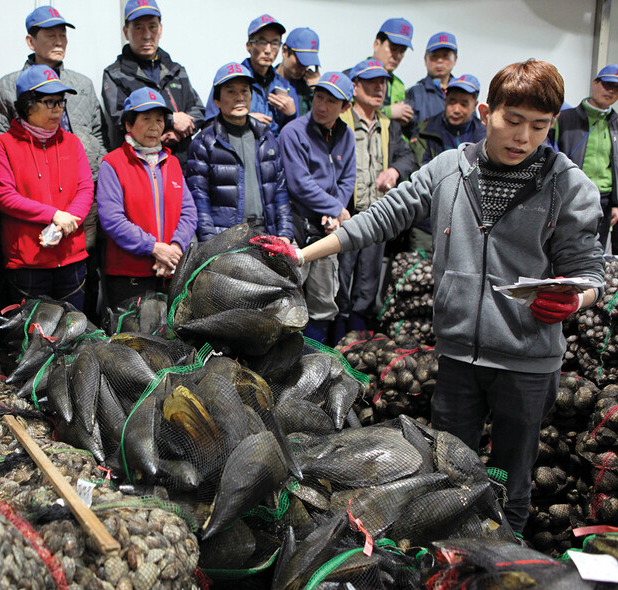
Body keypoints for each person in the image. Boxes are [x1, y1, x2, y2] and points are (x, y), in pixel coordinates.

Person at [256, 60, 604, 533]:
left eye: (539, 126)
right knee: (447, 473)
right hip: (459, 359)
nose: (524, 137)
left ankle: (503, 553)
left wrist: (574, 300)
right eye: (513, 121)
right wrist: (303, 254)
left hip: (526, 365)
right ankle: (447, 559)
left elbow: (588, 271)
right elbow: (382, 217)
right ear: (487, 113)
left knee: (507, 476)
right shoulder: (448, 170)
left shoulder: (569, 186)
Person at [0, 65, 93, 310]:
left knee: (75, 336)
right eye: (49, 102)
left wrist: (64, 222)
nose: (57, 109)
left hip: (71, 258)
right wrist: (53, 215)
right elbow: (5, 196)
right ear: (27, 104)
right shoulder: (3, 145)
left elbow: (85, 188)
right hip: (28, 262)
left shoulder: (72, 142)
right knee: (36, 340)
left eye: (60, 102)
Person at [97, 87, 197, 308]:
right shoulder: (113, 164)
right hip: (129, 276)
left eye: (160, 120)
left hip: (170, 271)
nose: (154, 126)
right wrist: (154, 248)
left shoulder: (171, 163)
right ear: (128, 125)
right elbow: (112, 219)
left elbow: (188, 212)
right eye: (146, 119)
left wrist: (175, 248)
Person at [336, 59, 415, 333]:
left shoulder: (388, 124)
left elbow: (407, 156)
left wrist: (394, 170)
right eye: (371, 83)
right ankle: (336, 340)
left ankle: (358, 343)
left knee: (368, 284)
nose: (379, 88)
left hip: (376, 216)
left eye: (382, 83)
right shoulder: (340, 120)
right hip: (345, 215)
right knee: (340, 280)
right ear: (355, 86)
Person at [278, 71, 356, 344]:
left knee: (324, 302)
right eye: (319, 97)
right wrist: (336, 207)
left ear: (345, 108)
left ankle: (316, 364)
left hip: (328, 232)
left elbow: (348, 179)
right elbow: (299, 184)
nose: (322, 106)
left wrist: (336, 210)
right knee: (288, 302)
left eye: (331, 102)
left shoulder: (346, 135)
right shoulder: (293, 132)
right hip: (298, 228)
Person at [0, 5, 105, 175]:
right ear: (31, 41)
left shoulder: (82, 84)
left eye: (63, 36)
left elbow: (98, 135)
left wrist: (97, 172)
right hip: (34, 183)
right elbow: (0, 142)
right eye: (51, 36)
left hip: (85, 181)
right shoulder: (6, 87)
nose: (59, 42)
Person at [188, 62, 292, 243]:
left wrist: (284, 234)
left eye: (244, 91)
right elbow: (200, 199)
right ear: (217, 100)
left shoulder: (266, 138)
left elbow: (280, 191)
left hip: (265, 235)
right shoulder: (204, 142)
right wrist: (210, 244)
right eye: (231, 92)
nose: (239, 97)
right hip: (226, 238)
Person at [102, 0, 205, 164]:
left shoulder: (176, 70)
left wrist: (178, 132)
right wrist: (171, 121)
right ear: (126, 32)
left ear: (161, 29)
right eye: (138, 27)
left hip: (181, 164)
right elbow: (122, 118)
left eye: (152, 26)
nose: (147, 35)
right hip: (139, 165)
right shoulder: (115, 74)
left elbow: (199, 110)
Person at [409, 74, 484, 250]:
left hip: (470, 228)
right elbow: (421, 178)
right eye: (451, 102)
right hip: (427, 226)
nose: (456, 109)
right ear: (444, 100)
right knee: (421, 276)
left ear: (475, 105)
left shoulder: (487, 137)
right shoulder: (424, 132)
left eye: (464, 104)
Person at [552, 64, 618, 251]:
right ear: (594, 84)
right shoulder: (565, 118)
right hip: (570, 194)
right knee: (563, 246)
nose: (610, 91)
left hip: (603, 199)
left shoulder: (616, 124)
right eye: (606, 85)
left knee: (595, 250)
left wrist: (616, 203)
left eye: (616, 88)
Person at [205, 14, 298, 138]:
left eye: (275, 43)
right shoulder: (229, 78)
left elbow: (294, 135)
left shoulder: (284, 86)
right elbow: (209, 125)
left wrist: (291, 115)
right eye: (262, 42)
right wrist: (243, 121)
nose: (268, 50)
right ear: (249, 46)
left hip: (273, 154)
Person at [405, 31, 458, 135]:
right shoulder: (415, 93)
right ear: (425, 59)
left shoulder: (465, 91)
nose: (440, 61)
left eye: (445, 56)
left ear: (455, 59)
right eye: (434, 56)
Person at [367, 18, 414, 127]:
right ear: (376, 44)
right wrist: (389, 112)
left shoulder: (398, 85)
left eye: (402, 51)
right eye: (393, 48)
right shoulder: (353, 76)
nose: (397, 56)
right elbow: (347, 113)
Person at [276, 27, 321, 117]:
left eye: (308, 62)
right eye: (300, 61)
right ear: (284, 51)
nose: (303, 67)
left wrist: (318, 90)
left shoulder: (308, 87)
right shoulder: (266, 81)